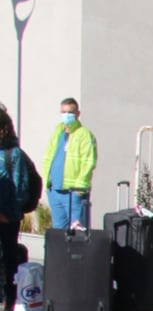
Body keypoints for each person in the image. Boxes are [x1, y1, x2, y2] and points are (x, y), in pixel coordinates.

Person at [0, 103, 40, 311]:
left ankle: (10, 300)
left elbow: (20, 189)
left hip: (7, 217)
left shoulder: (13, 155)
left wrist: (7, 213)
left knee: (8, 258)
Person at [41, 97, 97, 229]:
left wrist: (78, 190)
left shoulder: (84, 135)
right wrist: (47, 183)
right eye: (63, 112)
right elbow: (48, 157)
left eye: (70, 112)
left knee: (76, 231)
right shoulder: (57, 132)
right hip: (55, 190)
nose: (66, 115)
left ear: (78, 114)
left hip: (73, 192)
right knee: (59, 231)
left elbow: (89, 162)